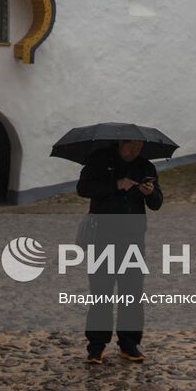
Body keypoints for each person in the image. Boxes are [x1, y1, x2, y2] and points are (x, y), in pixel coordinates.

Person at [76, 140, 163, 365]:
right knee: (101, 291)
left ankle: (129, 343)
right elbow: (83, 189)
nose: (135, 151)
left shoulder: (146, 167)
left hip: (133, 239)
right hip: (102, 237)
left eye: (139, 148)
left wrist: (150, 192)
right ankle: (96, 346)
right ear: (121, 144)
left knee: (132, 292)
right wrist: (116, 185)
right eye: (132, 147)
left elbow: (157, 203)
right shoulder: (99, 160)